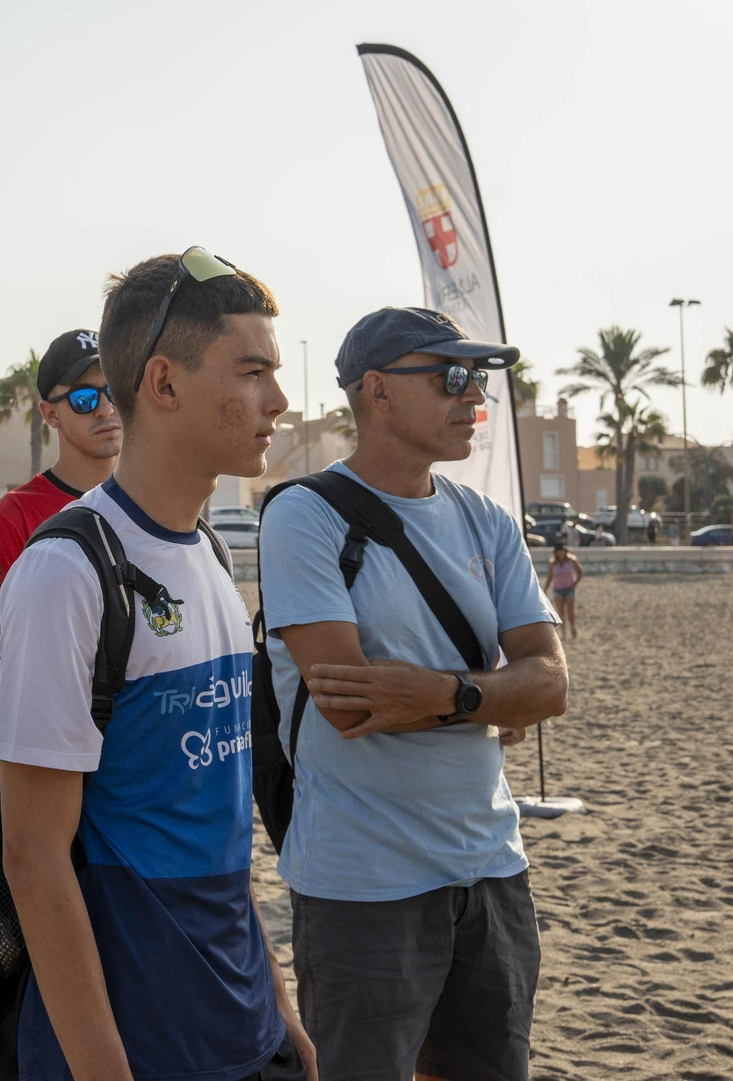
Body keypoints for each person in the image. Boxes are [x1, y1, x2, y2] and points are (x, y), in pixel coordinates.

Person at [0, 248, 313, 1079]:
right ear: (164, 384)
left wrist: (277, 1007)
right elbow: (32, 855)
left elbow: (215, 821)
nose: (278, 400)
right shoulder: (70, 570)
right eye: (252, 371)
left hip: (238, 1023)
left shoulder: (207, 549)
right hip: (131, 1044)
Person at [259, 306, 570, 1081]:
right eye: (452, 376)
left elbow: (552, 680)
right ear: (378, 391)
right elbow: (353, 702)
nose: (475, 398)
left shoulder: (487, 521)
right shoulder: (304, 513)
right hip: (364, 882)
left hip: (493, 867)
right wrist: (496, 698)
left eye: (479, 382)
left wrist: (446, 694)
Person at [0, 328, 122, 640]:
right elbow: (2, 661)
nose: (105, 409)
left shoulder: (153, 501)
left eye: (114, 391)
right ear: (50, 414)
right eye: (83, 398)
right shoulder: (13, 516)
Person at [544, 543, 583, 641]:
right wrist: (545, 588)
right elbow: (550, 577)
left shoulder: (571, 561)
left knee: (570, 612)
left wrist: (574, 583)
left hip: (569, 589)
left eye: (562, 551)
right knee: (560, 612)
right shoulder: (553, 563)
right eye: (559, 551)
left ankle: (573, 627)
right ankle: (563, 632)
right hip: (558, 589)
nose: (560, 553)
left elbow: (580, 572)